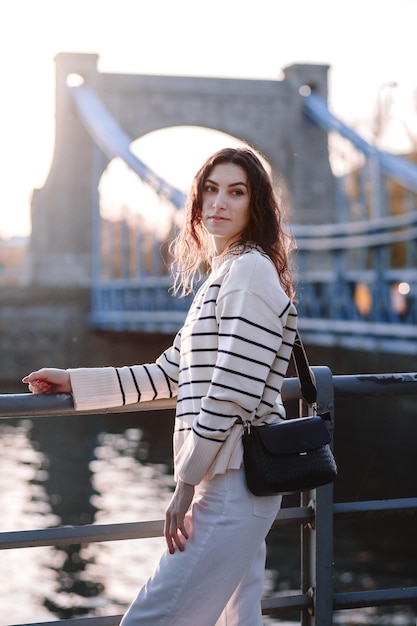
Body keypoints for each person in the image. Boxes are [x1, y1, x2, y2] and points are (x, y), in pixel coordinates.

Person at [23, 147, 298, 626]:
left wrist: (185, 484)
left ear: (256, 206)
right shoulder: (226, 274)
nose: (219, 202)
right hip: (231, 477)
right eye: (210, 189)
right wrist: (77, 382)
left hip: (232, 483)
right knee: (239, 620)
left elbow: (232, 390)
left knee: (151, 618)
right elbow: (169, 375)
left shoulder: (249, 272)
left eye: (236, 192)